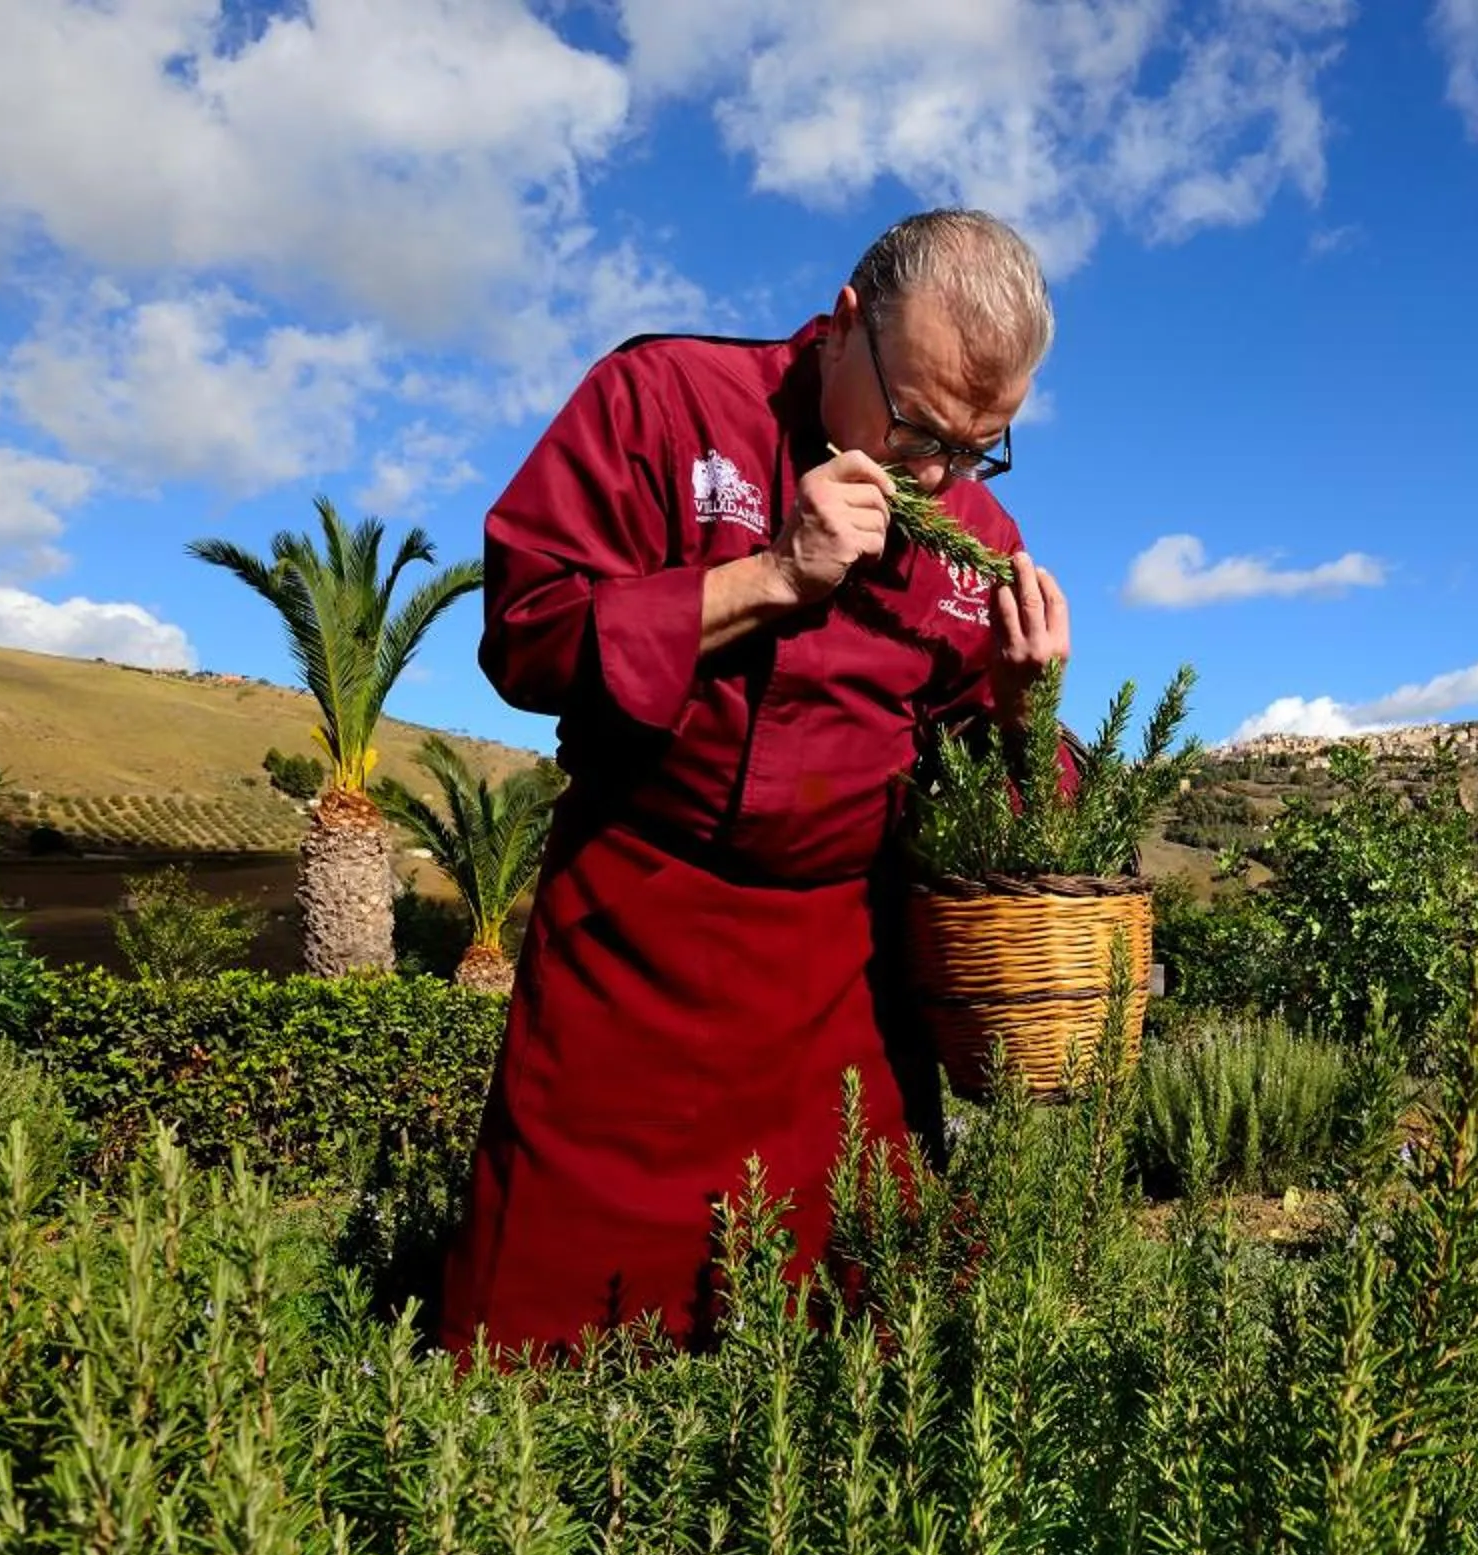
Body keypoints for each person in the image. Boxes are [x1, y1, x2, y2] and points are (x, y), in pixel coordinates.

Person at [437, 209, 1070, 1364]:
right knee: (545, 1344)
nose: (938, 475)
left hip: (843, 992)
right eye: (919, 429)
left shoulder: (976, 533)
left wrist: (1029, 713)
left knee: (859, 1351)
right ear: (844, 325)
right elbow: (527, 635)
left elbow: (1008, 810)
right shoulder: (661, 400)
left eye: (980, 446)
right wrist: (773, 575)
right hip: (629, 946)